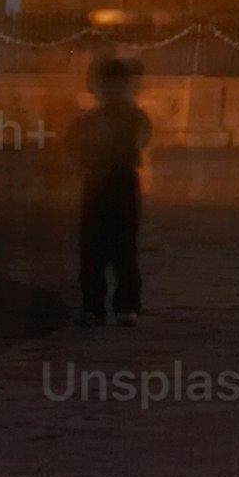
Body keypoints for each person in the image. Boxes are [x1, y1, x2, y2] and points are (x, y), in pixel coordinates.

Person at [74, 54, 151, 327]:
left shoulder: (129, 116)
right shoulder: (98, 117)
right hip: (101, 182)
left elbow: (140, 139)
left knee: (121, 246)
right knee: (94, 246)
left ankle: (120, 305)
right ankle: (99, 305)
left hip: (117, 181)